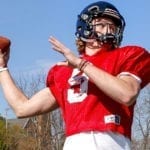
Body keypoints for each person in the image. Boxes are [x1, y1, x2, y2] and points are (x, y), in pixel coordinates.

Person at [0, 1, 150, 150]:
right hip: (74, 143)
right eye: (103, 25)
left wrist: (81, 65)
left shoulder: (127, 55)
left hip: (112, 141)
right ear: (85, 27)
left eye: (113, 27)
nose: (109, 31)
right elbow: (22, 109)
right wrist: (3, 68)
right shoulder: (63, 70)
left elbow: (127, 94)